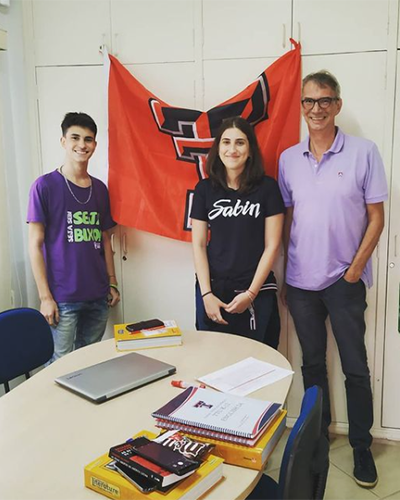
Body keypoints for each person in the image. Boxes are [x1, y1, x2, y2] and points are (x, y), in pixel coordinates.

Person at [278, 71, 388, 488]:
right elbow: (288, 221)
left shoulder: (363, 152)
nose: (317, 109)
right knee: (312, 366)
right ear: (301, 107)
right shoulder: (289, 159)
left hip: (345, 281)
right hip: (302, 283)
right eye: (309, 101)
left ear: (337, 105)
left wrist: (356, 268)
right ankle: (316, 440)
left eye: (325, 100)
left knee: (356, 368)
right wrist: (288, 274)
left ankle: (361, 445)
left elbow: (376, 218)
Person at [27, 112, 120, 362]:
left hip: (98, 295)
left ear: (95, 145)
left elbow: (104, 239)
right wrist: (45, 297)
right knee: (59, 364)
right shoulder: (44, 186)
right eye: (75, 138)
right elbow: (34, 245)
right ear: (63, 141)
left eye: (88, 139)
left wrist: (112, 282)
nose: (82, 145)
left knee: (88, 363)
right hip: (62, 297)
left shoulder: (99, 188)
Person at [190, 116, 284, 348]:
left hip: (255, 291)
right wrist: (206, 295)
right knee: (213, 364)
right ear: (218, 148)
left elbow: (273, 245)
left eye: (240, 143)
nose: (232, 149)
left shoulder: (268, 188)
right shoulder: (204, 189)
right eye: (226, 142)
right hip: (213, 292)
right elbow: (199, 244)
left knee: (256, 367)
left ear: (250, 149)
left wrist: (251, 294)